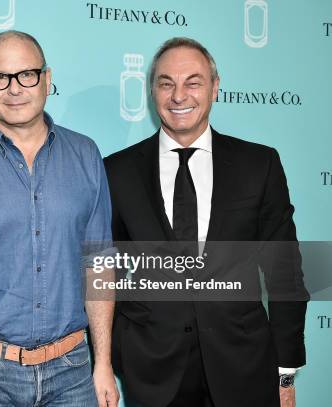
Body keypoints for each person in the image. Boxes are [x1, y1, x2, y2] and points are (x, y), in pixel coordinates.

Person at [104, 37, 308, 407]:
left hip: (244, 367)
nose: (179, 95)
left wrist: (285, 370)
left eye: (193, 82)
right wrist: (116, 352)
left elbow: (285, 273)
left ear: (215, 88)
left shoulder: (258, 165)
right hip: (153, 371)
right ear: (152, 91)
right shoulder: (116, 171)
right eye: (166, 83)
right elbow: (104, 270)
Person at [0, 31, 119, 407]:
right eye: (0, 77)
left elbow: (99, 265)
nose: (14, 88)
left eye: (26, 74)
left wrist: (103, 363)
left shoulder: (85, 154)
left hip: (73, 371)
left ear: (47, 78)